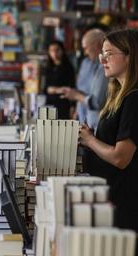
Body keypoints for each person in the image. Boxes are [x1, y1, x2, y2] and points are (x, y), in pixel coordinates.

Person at [80, 29, 138, 235]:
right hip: (111, 196)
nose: (103, 60)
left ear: (130, 56)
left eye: (109, 54)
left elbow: (120, 158)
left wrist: (89, 140)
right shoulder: (117, 95)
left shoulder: (133, 99)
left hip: (125, 202)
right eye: (101, 55)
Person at [62, 29, 109, 130]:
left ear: (99, 44)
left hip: (98, 126)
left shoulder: (106, 67)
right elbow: (80, 89)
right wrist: (76, 111)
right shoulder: (85, 63)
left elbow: (96, 102)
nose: (85, 52)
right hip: (83, 121)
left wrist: (76, 96)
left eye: (86, 48)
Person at [43, 40, 76, 119]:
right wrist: (58, 89)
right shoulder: (48, 68)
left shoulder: (68, 67)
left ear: (62, 51)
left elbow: (72, 87)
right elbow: (45, 89)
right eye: (51, 50)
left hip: (64, 104)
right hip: (50, 103)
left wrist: (73, 106)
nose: (54, 53)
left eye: (57, 50)